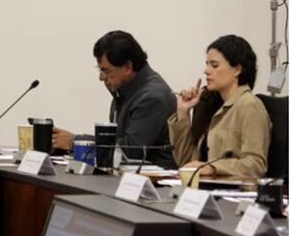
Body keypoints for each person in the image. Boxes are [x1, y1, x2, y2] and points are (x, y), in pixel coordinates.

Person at [53, 31, 176, 167]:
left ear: (127, 67)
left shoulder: (152, 97)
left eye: (106, 71)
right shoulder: (124, 91)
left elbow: (130, 150)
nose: (101, 78)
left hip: (152, 178)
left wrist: (74, 142)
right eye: (100, 71)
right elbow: (114, 143)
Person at [169, 35, 271, 179]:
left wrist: (212, 168)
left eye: (214, 65)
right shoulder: (210, 105)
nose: (206, 71)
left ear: (237, 70)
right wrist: (183, 112)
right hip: (202, 188)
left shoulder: (250, 106)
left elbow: (255, 165)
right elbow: (186, 163)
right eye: (207, 64)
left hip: (233, 190)